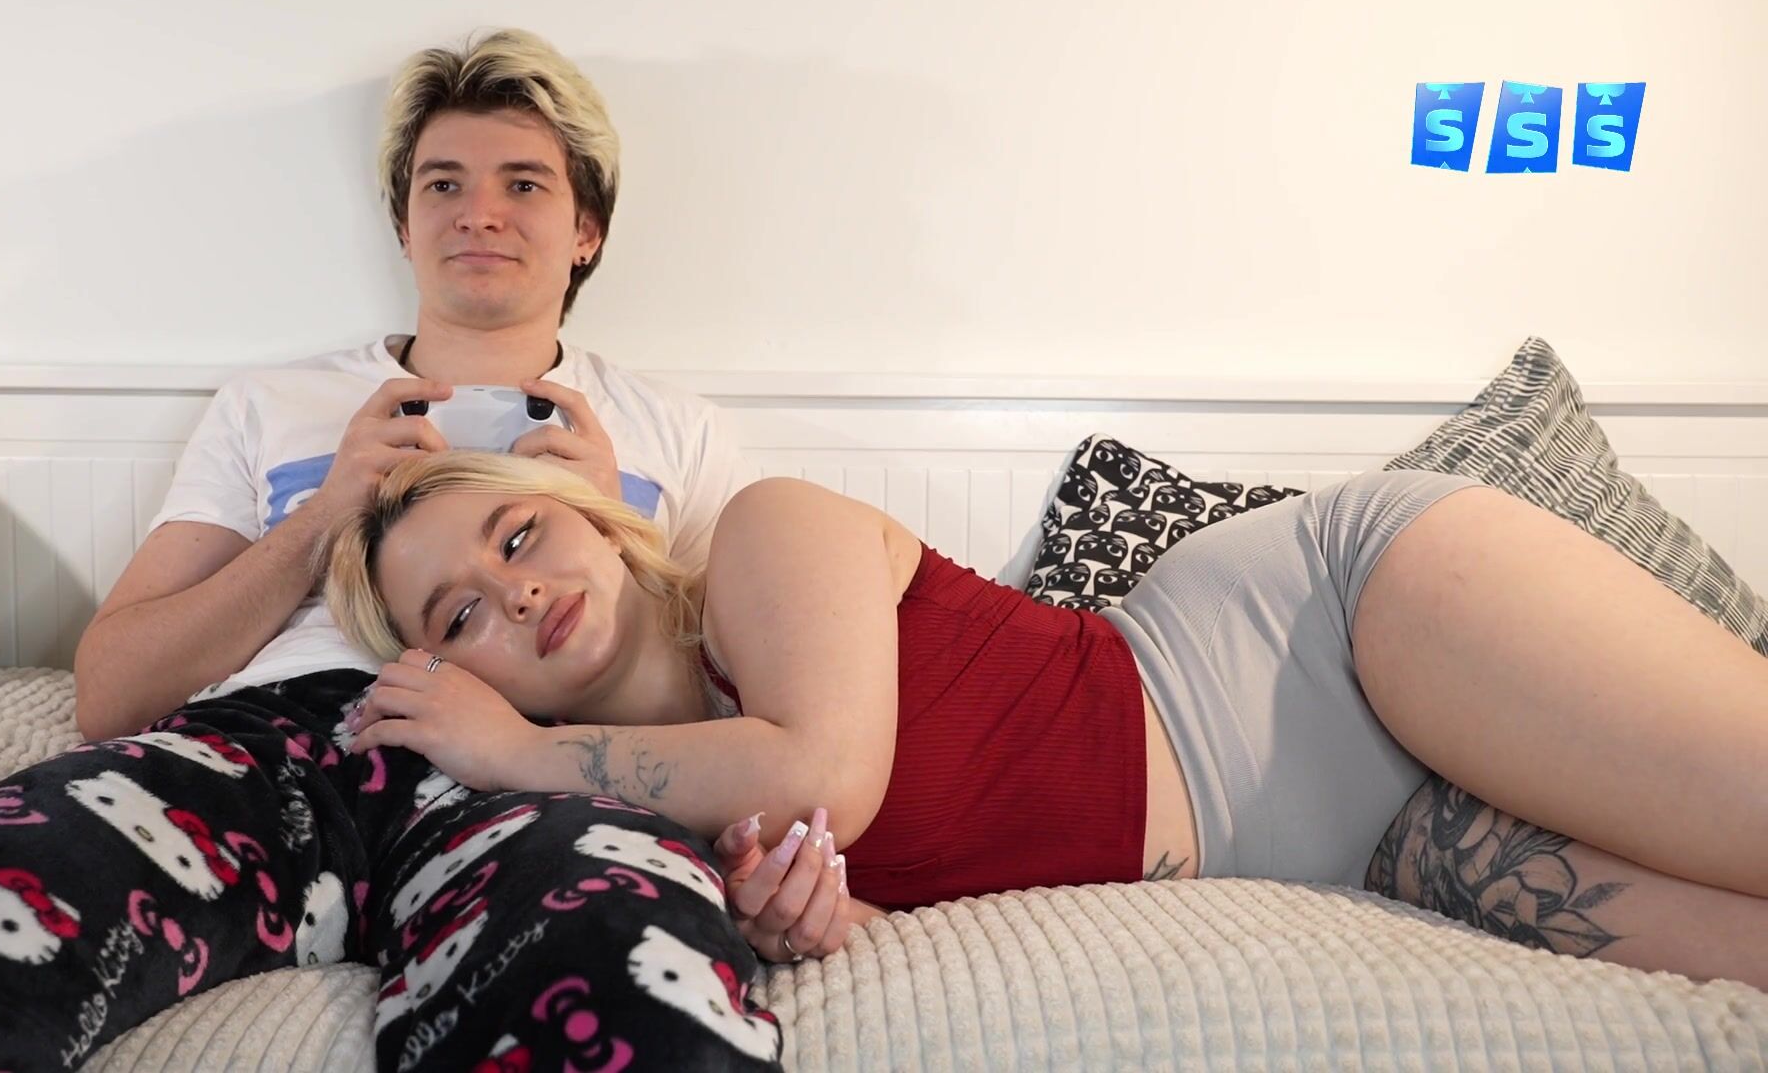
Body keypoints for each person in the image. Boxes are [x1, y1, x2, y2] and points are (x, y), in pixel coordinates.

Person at [0, 30, 788, 1072]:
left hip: (551, 773)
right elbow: (110, 692)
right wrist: (319, 523)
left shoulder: (677, 432)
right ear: (403, 224)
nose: (478, 212)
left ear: (586, 231)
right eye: (442, 184)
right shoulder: (274, 403)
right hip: (278, 749)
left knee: (633, 994)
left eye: (523, 184)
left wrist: (613, 537)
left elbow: (748, 711)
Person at [322, 449, 1768, 990]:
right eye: (459, 615)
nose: (516, 592)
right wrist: (812, 928)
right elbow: (927, 897)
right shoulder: (650, 821)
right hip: (1364, 850)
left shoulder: (765, 533)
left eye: (518, 535)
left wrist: (510, 753)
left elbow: (831, 770)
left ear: (591, 517)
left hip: (1331, 637)